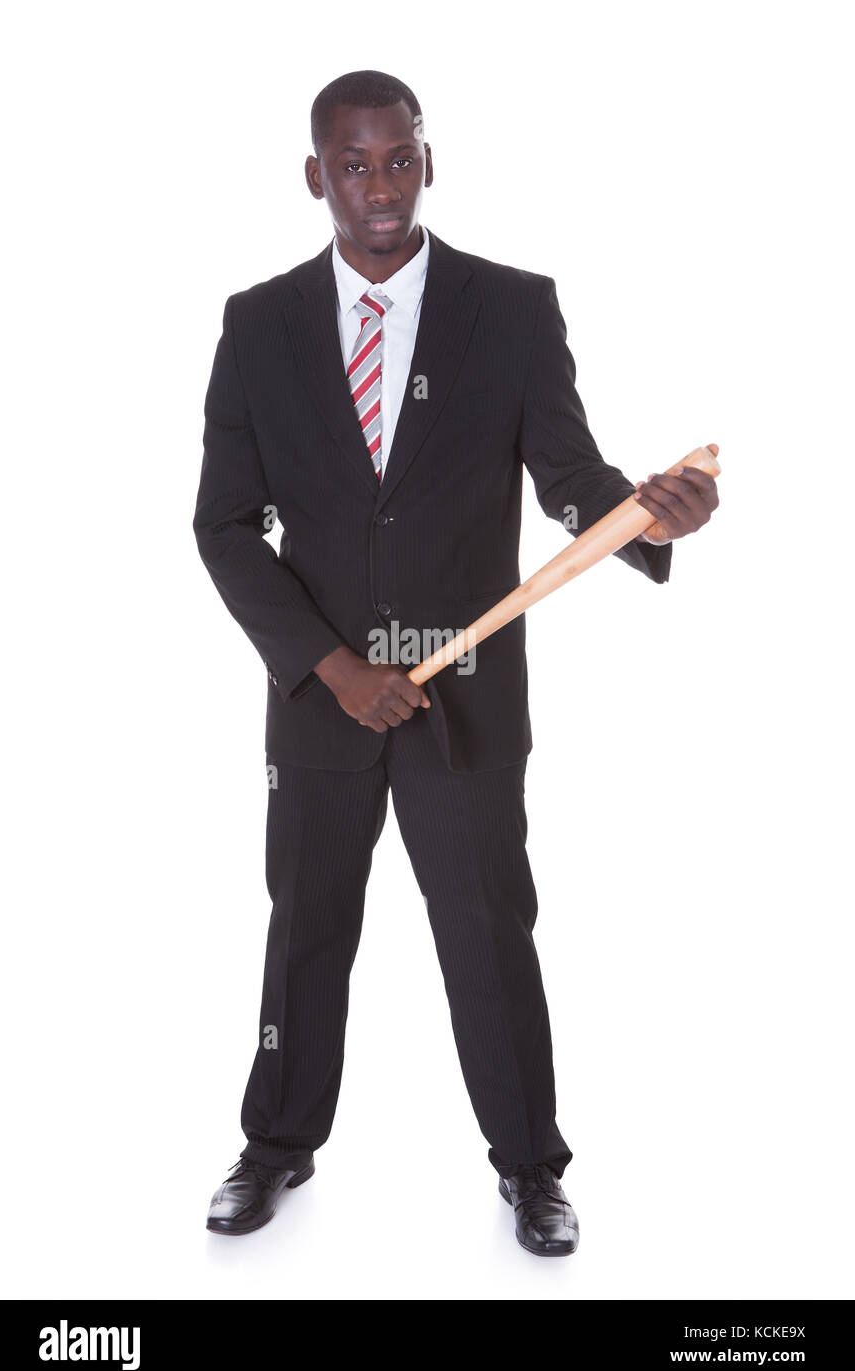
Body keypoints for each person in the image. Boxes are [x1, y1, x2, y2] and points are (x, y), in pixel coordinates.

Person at [193, 69, 719, 1255]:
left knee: (487, 930)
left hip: (466, 700)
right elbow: (223, 525)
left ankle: (530, 1164)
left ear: (429, 160)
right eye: (353, 164)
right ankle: (275, 1144)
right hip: (322, 704)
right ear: (314, 174)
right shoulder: (259, 323)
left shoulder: (511, 308)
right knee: (305, 930)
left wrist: (642, 513)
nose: (378, 188)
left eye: (399, 158)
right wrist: (333, 669)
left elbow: (568, 477)